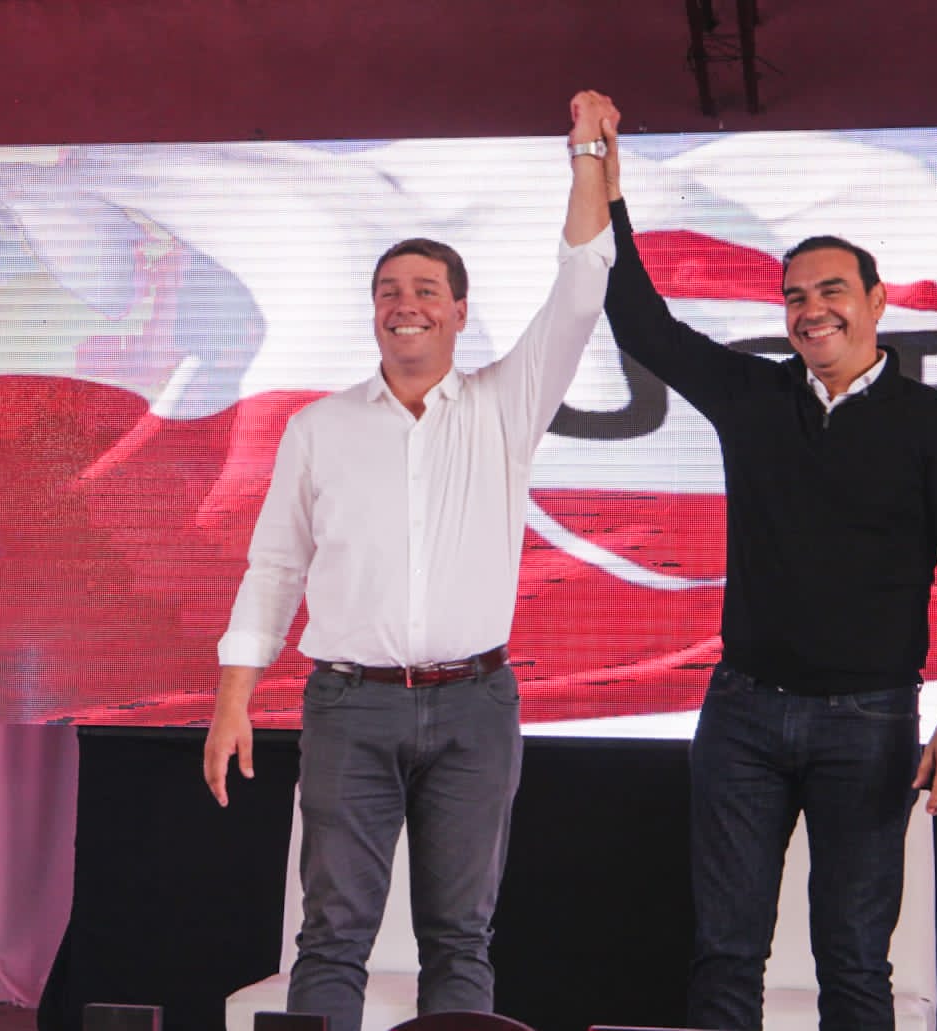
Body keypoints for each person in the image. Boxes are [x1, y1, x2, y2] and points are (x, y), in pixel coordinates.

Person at [202, 91, 620, 1031]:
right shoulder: (318, 427)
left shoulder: (507, 404)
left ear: (459, 312)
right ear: (373, 313)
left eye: (426, 290)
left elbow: (582, 283)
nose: (406, 305)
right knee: (331, 935)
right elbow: (273, 567)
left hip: (475, 705)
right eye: (390, 291)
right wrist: (233, 698)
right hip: (349, 705)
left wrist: (589, 154)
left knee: (459, 938)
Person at [597, 122, 937, 1030]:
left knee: (854, 962)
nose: (810, 309)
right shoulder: (752, 396)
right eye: (794, 295)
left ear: (877, 302)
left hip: (869, 724)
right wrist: (605, 184)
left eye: (831, 291)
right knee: (724, 955)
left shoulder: (933, 424)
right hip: (740, 716)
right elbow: (639, 322)